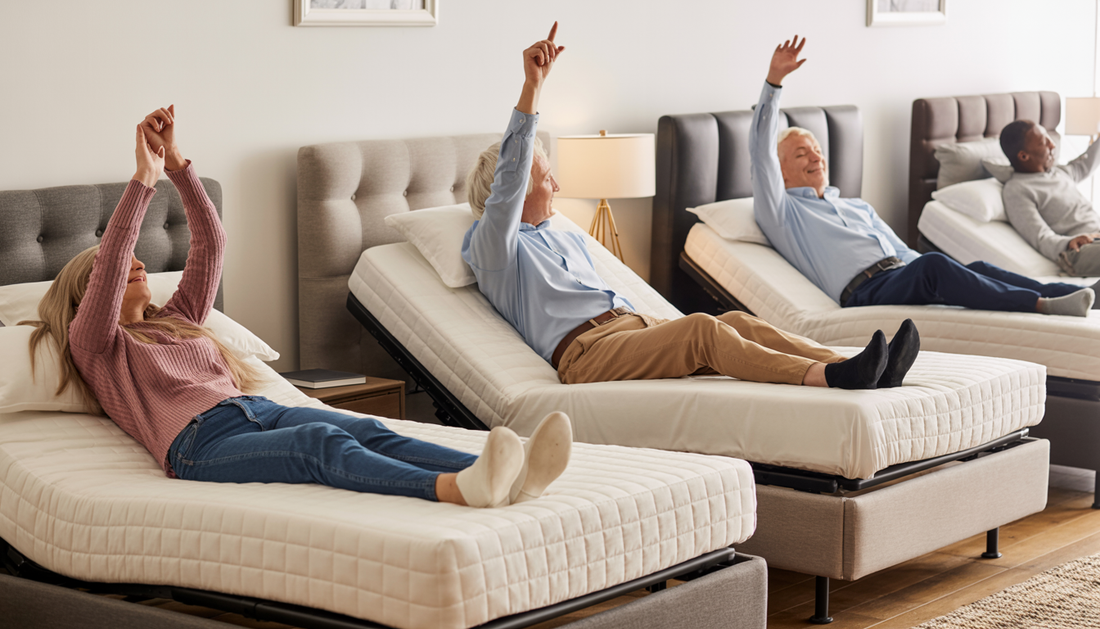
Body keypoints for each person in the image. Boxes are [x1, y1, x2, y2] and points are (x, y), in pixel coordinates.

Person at [21, 106, 572, 509]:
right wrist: (143, 178)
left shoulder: (178, 320)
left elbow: (211, 243)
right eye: (113, 272)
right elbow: (115, 253)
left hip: (253, 411)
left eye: (138, 261)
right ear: (89, 296)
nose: (135, 264)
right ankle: (455, 489)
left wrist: (180, 165)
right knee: (320, 442)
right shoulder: (96, 345)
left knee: (361, 427)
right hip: (198, 444)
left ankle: (509, 471)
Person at [462, 23, 920, 391]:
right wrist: (532, 88)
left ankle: (861, 365)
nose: (557, 183)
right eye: (545, 176)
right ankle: (827, 377)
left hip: (631, 328)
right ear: (519, 188)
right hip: (587, 354)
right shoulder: (493, 249)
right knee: (702, 329)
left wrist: (657, 328)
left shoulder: (562, 235)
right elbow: (509, 179)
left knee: (738, 322)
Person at [751, 36, 1097, 317]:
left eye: (817, 151)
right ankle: (1040, 306)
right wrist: (774, 82)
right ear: (779, 169)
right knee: (932, 265)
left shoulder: (857, 207)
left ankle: (1078, 293)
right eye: (801, 154)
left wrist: (962, 276)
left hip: (901, 273)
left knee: (972, 265)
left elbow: (902, 251)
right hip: (865, 292)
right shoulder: (782, 212)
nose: (816, 157)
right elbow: (760, 151)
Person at [999, 119, 1100, 277]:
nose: (1052, 145)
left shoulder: (1059, 173)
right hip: (1078, 249)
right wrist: (1069, 242)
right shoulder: (1017, 190)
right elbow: (1041, 237)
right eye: (1043, 142)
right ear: (1024, 156)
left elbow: (1086, 165)